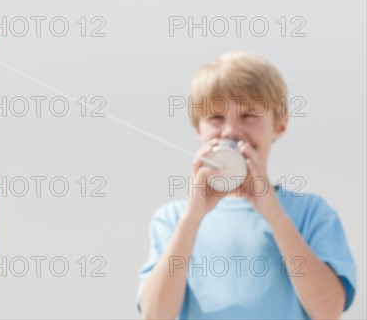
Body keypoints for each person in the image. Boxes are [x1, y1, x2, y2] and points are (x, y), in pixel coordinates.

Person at [137, 52, 356, 319]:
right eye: (215, 117)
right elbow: (154, 315)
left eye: (249, 115)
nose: (230, 131)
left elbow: (328, 311)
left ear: (280, 125)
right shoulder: (172, 220)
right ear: (197, 127)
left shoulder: (311, 213)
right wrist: (192, 217)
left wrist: (274, 215)